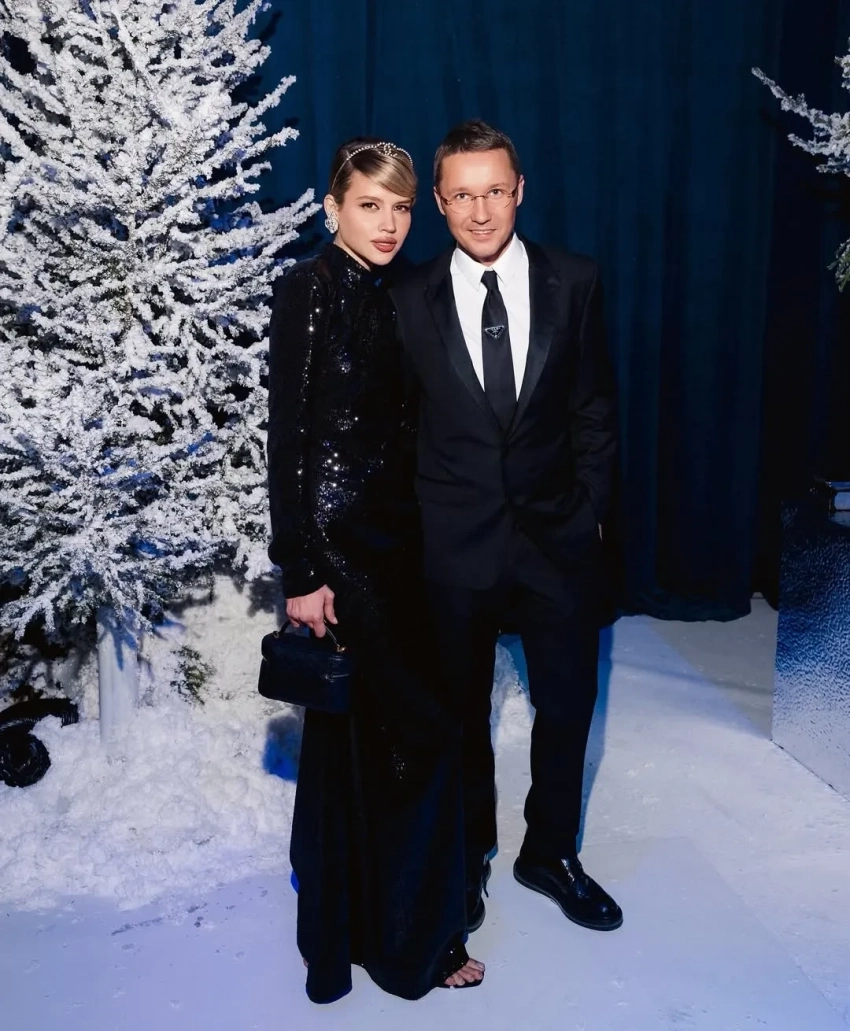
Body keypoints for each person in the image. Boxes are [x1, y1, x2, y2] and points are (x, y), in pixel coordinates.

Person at [390, 120, 623, 939]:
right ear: (438, 202)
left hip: (558, 540)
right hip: (454, 549)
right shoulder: (406, 299)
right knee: (460, 714)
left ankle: (550, 851)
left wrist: (589, 511)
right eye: (463, 195)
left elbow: (594, 409)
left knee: (568, 704)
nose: (481, 211)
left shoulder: (576, 280)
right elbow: (398, 434)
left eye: (495, 191)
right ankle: (467, 856)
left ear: (520, 189)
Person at [266, 137, 485, 1003]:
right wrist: (300, 569)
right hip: (339, 556)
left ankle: (368, 931)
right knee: (412, 734)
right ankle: (410, 945)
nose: (389, 224)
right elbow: (288, 440)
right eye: (370, 206)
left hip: (403, 547)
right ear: (333, 208)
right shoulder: (309, 288)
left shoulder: (398, 290)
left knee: (372, 742)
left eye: (400, 208)